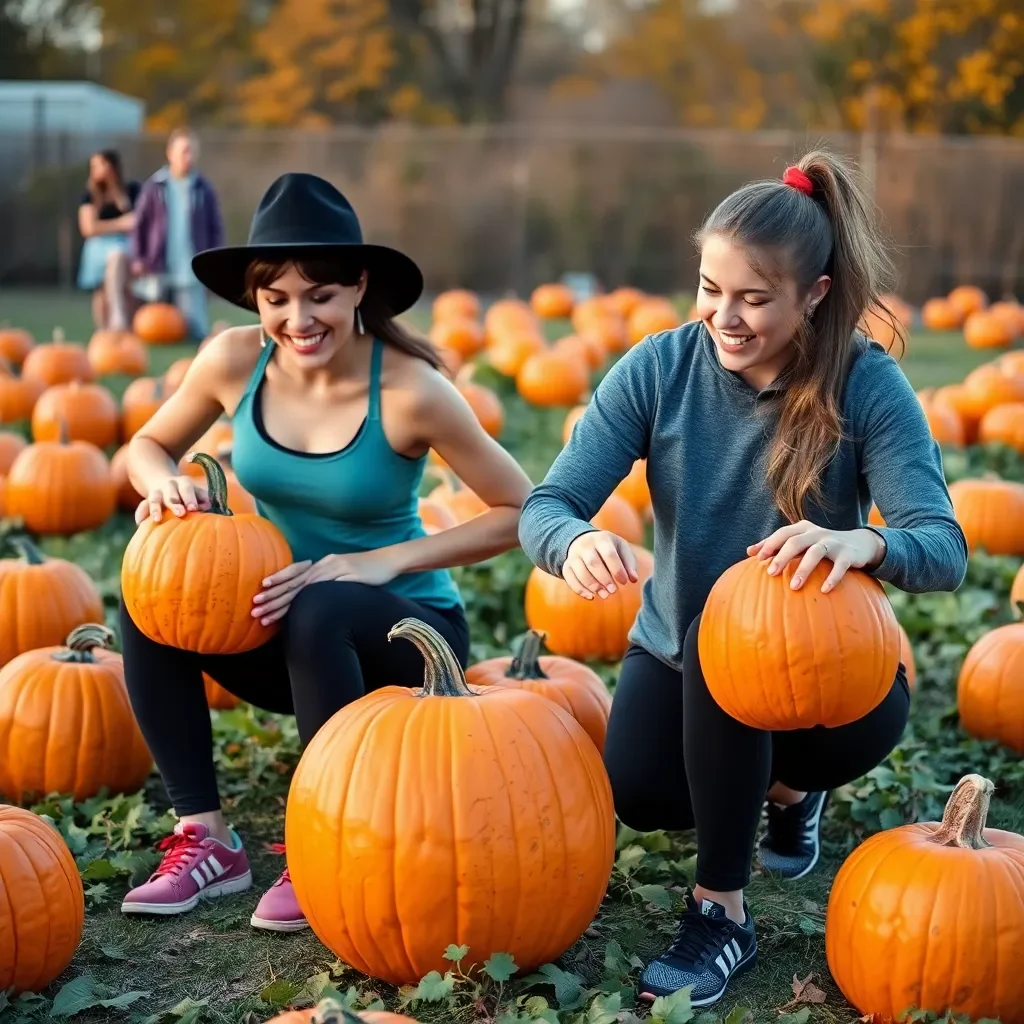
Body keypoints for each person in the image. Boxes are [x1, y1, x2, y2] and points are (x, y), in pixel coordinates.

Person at [518, 152, 968, 1008]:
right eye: (709, 288)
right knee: (644, 792)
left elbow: (941, 545)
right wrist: (571, 541)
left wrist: (865, 546)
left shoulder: (866, 384)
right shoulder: (659, 368)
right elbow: (548, 503)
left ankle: (723, 909)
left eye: (754, 299)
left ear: (816, 295)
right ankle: (779, 791)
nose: (724, 316)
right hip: (680, 649)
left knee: (732, 667)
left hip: (838, 682)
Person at [118, 172, 533, 932]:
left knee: (322, 602)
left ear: (357, 288)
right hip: (280, 628)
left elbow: (523, 512)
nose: (297, 319)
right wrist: (164, 485)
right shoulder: (231, 361)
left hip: (403, 641)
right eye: (276, 299)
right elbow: (145, 445)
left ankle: (326, 849)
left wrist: (385, 562)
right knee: (150, 594)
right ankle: (206, 839)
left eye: (319, 297)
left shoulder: (411, 389)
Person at [127, 127, 225, 340]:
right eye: (183, 151)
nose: (187, 157)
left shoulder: (203, 189)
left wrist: (214, 261)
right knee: (155, 324)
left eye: (191, 151)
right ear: (170, 153)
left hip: (190, 269)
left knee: (195, 330)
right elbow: (139, 226)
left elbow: (215, 227)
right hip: (158, 266)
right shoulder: (154, 187)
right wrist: (138, 258)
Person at [76, 149, 140, 331]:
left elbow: (136, 220)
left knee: (118, 260)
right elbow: (89, 228)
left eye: (100, 165)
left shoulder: (131, 190)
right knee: (101, 291)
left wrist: (116, 189)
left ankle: (120, 318)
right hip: (98, 247)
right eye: (93, 166)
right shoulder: (90, 195)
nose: (96, 170)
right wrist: (119, 224)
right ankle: (103, 332)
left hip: (124, 247)